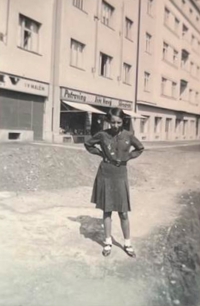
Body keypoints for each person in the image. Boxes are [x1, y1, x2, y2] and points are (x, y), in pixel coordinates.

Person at [84, 108, 144, 257]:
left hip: (120, 174)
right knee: (107, 209)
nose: (115, 125)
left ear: (123, 121)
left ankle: (127, 243)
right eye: (112, 122)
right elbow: (88, 144)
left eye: (118, 122)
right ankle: (107, 242)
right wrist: (100, 153)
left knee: (123, 212)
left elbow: (140, 148)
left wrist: (128, 157)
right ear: (108, 122)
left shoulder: (129, 136)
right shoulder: (102, 135)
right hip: (105, 173)